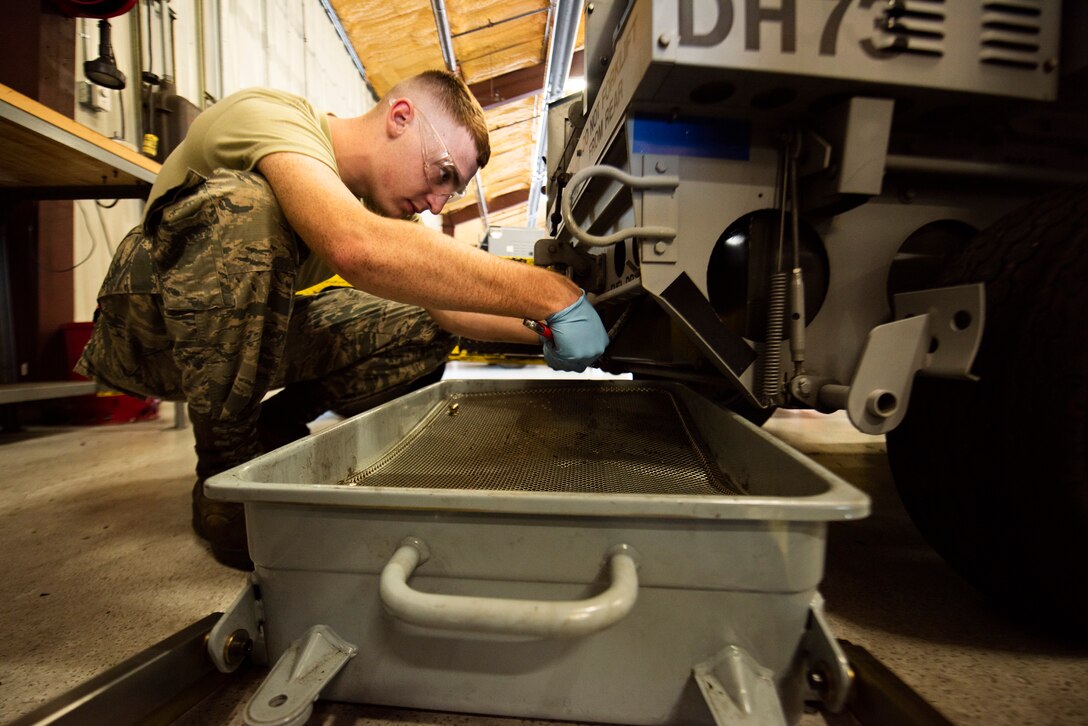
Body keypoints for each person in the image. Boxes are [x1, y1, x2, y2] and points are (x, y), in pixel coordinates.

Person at [75, 70, 609, 569]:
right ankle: (224, 472)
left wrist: (541, 330)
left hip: (244, 340)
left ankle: (272, 431)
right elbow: (354, 248)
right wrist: (549, 293)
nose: (438, 204)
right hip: (146, 331)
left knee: (421, 323)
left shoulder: (367, 204)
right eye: (443, 174)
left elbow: (447, 308)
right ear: (400, 117)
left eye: (452, 191)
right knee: (247, 208)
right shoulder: (273, 117)